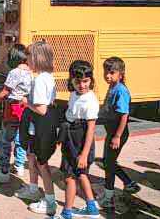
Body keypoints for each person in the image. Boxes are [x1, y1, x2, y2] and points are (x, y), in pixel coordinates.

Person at [53, 60, 99, 219]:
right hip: (71, 138)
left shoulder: (90, 101)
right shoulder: (74, 94)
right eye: (78, 81)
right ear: (71, 80)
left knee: (70, 177)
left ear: (91, 80)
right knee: (81, 174)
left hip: (81, 141)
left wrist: (84, 154)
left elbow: (91, 129)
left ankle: (67, 213)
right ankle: (92, 207)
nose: (82, 85)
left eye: (86, 81)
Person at [16, 40, 58, 216]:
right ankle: (33, 189)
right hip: (40, 126)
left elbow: (41, 109)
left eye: (29, 58)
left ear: (37, 58)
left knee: (42, 163)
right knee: (31, 156)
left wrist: (26, 102)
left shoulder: (41, 79)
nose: (27, 62)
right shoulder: (46, 77)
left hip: (40, 125)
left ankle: (50, 201)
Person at [0, 44, 32, 183]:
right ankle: (19, 165)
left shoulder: (14, 72)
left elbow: (5, 92)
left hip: (13, 108)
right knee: (20, 138)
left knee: (5, 140)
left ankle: (3, 171)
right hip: (25, 109)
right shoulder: (30, 72)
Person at [98, 57, 140, 208]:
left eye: (112, 72)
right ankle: (129, 183)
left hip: (118, 132)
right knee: (108, 161)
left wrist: (117, 136)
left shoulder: (121, 90)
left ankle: (109, 197)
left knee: (108, 163)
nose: (107, 75)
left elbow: (124, 115)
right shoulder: (113, 87)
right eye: (106, 72)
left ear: (120, 74)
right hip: (112, 131)